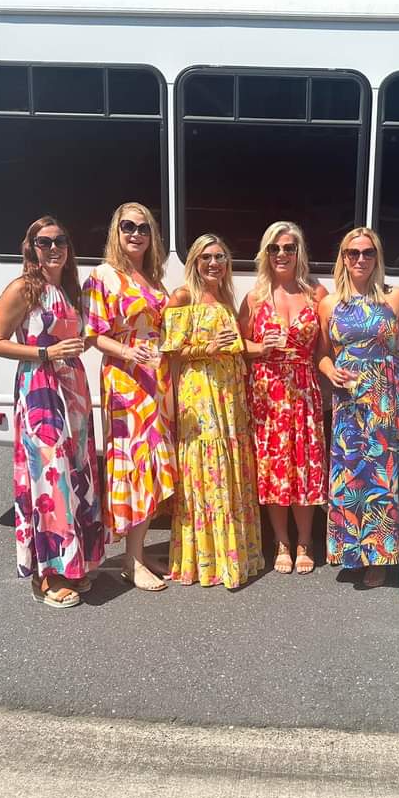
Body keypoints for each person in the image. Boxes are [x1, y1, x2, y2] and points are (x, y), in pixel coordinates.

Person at [0, 216, 104, 609]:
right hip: (39, 389)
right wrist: (45, 352)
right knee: (47, 478)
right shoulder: (23, 289)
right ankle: (45, 573)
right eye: (44, 241)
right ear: (31, 248)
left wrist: (77, 345)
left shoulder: (68, 289)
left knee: (75, 474)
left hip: (73, 389)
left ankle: (73, 564)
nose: (54, 248)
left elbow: (75, 338)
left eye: (61, 241)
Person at [162, 233, 263, 589]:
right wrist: (207, 346)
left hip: (229, 391)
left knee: (229, 465)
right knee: (206, 468)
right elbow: (171, 349)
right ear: (194, 261)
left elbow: (235, 344)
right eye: (206, 257)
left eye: (220, 257)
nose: (214, 264)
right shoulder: (183, 296)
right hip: (201, 390)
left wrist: (265, 347)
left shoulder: (225, 296)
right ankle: (207, 559)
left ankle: (234, 555)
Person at [83, 202, 175, 592]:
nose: (135, 233)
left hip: (156, 380)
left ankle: (136, 551)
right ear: (115, 232)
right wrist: (127, 352)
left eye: (143, 227)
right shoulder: (103, 276)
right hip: (125, 381)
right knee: (135, 465)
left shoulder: (152, 277)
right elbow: (92, 335)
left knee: (154, 466)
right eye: (127, 227)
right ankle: (132, 561)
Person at [318, 227, 399, 587]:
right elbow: (321, 355)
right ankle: (351, 551)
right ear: (342, 257)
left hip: (385, 396)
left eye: (367, 253)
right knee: (350, 475)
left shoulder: (396, 297)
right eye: (352, 253)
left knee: (382, 476)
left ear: (377, 258)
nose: (360, 259)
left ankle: (381, 557)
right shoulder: (330, 302)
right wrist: (331, 371)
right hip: (348, 401)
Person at [238, 222, 328, 575]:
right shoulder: (255, 297)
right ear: (266, 253)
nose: (281, 255)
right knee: (274, 470)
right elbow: (238, 344)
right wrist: (261, 347)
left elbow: (323, 349)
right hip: (268, 391)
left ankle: (305, 540)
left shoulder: (316, 294)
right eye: (274, 248)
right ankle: (281, 542)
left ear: (299, 253)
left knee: (304, 468)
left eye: (289, 248)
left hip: (304, 387)